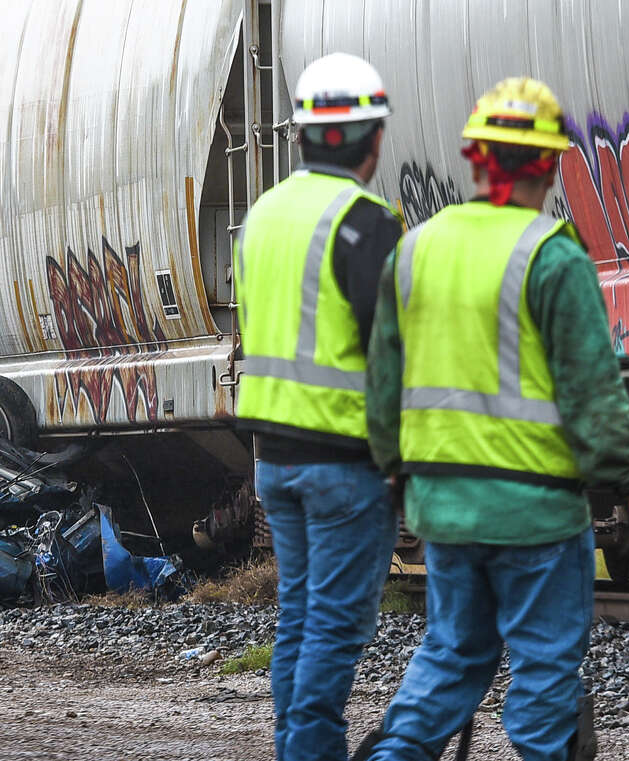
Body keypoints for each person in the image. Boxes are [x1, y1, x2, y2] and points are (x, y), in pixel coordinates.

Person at [361, 78, 629, 761]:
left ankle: (393, 754)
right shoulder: (552, 254)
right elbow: (593, 395)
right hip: (538, 517)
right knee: (545, 665)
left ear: (475, 160)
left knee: (452, 653)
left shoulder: (415, 250)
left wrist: (396, 471)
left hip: (444, 509)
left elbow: (380, 386)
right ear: (550, 166)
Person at [234, 52, 401, 761]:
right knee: (333, 628)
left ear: (299, 136)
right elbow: (393, 355)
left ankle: (294, 749)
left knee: (299, 621)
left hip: (275, 459)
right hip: (344, 463)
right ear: (375, 139)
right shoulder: (367, 224)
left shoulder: (261, 216)